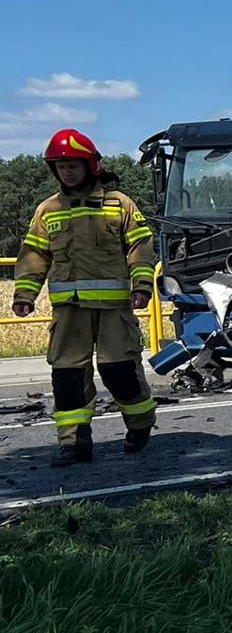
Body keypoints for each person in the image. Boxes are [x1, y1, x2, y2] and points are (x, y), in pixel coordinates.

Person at [10, 129, 161, 466]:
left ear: (90, 166)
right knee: (67, 377)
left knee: (120, 371)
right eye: (60, 167)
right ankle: (74, 443)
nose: (66, 172)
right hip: (70, 311)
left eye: (72, 166)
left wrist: (141, 286)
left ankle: (140, 425)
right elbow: (34, 255)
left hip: (113, 309)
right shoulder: (48, 210)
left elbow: (140, 247)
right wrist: (24, 294)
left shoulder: (119, 204)